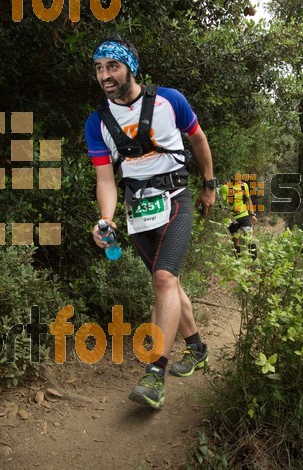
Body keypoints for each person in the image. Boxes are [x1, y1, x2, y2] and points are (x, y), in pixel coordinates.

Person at [84, 37, 217, 409]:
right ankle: (197, 348)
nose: (105, 75)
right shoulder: (97, 123)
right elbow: (105, 179)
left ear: (130, 68)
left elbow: (199, 141)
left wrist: (209, 184)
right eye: (99, 68)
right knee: (167, 281)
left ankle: (154, 373)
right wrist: (105, 219)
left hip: (176, 198)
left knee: (163, 278)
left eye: (112, 66)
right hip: (137, 211)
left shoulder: (169, 100)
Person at [219, 177, 258, 259]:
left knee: (250, 237)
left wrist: (252, 214)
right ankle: (238, 261)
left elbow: (248, 200)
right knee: (235, 240)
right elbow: (222, 205)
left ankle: (254, 261)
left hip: (244, 215)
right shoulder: (225, 188)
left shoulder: (244, 186)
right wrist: (232, 210)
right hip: (231, 217)